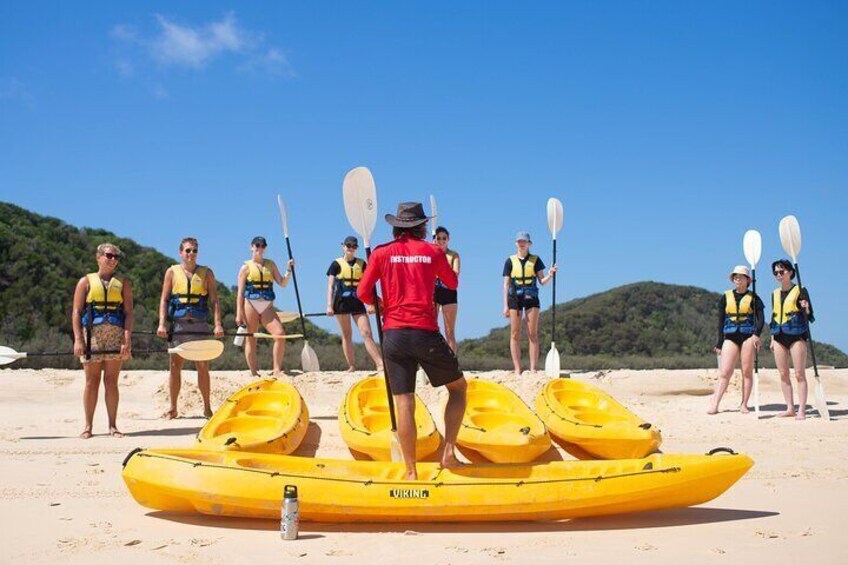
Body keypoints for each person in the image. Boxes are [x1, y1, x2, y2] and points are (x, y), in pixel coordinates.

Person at [357, 202, 466, 481]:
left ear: (396, 226)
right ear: (422, 226)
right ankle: (449, 453)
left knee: (404, 400)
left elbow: (362, 292)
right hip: (424, 332)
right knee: (458, 389)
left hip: (393, 334)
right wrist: (436, 258)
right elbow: (452, 284)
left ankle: (410, 470)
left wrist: (380, 302)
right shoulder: (432, 251)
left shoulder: (381, 253)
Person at [157, 237, 224, 419]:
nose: (191, 254)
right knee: (174, 366)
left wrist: (217, 324)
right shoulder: (171, 272)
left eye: (194, 250)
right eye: (187, 250)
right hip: (178, 325)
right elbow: (164, 299)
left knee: (202, 366)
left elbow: (214, 301)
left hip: (200, 325)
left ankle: (207, 407)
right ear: (181, 252)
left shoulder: (206, 273)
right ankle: (173, 407)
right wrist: (162, 323)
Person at [71, 243, 134, 438]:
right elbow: (76, 312)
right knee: (92, 381)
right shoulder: (85, 282)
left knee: (111, 381)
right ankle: (88, 426)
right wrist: (78, 339)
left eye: (116, 257)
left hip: (115, 336)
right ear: (98, 257)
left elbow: (129, 313)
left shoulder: (123, 283)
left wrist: (127, 339)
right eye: (109, 255)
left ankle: (112, 426)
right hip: (92, 336)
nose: (113, 259)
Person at [708, 266, 765, 415]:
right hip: (730, 337)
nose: (737, 278)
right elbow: (721, 321)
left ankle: (744, 404)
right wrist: (719, 342)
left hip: (748, 337)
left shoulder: (754, 298)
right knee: (725, 372)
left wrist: (756, 335)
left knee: (746, 371)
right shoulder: (726, 297)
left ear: (748, 280)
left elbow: (761, 320)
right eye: (735, 276)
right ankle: (715, 403)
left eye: (741, 276)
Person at [236, 236, 293, 376]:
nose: (259, 248)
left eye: (262, 246)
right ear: (251, 246)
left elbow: (282, 283)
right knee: (251, 339)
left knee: (280, 335)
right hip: (250, 305)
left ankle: (276, 369)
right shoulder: (245, 268)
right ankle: (254, 372)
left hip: (267, 306)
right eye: (257, 245)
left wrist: (289, 270)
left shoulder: (270, 264)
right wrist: (239, 313)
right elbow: (240, 293)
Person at [502, 231, 557, 376]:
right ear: (516, 243)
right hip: (514, 298)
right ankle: (517, 368)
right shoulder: (510, 261)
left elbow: (542, 282)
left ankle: (533, 368)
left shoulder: (535, 260)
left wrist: (550, 274)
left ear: (529, 243)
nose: (522, 243)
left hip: (531, 297)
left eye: (524, 241)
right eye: (519, 241)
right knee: (514, 333)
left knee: (532, 333)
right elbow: (506, 285)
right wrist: (505, 305)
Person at [325, 236, 383, 371]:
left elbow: (370, 284)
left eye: (354, 246)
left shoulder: (362, 264)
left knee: (367, 333)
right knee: (347, 334)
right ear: (343, 246)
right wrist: (329, 305)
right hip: (340, 303)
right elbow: (330, 286)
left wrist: (371, 304)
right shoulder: (336, 264)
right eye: (348, 245)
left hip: (357, 302)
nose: (351, 248)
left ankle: (379, 364)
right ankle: (351, 366)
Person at [769, 259, 814, 420]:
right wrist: (772, 338)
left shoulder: (801, 290)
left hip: (797, 336)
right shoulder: (774, 294)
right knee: (783, 373)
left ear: (790, 272)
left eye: (781, 272)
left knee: (799, 374)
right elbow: (774, 317)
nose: (778, 275)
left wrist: (806, 307)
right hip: (779, 336)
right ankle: (790, 408)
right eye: (775, 273)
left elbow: (810, 316)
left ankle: (801, 409)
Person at [433, 226, 461, 352]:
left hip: (448, 291)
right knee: (431, 329)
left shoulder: (453, 255)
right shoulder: (430, 254)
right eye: (438, 238)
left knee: (449, 331)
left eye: (444, 238)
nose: (441, 241)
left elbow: (455, 274)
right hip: (433, 291)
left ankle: (452, 362)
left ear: (448, 239)